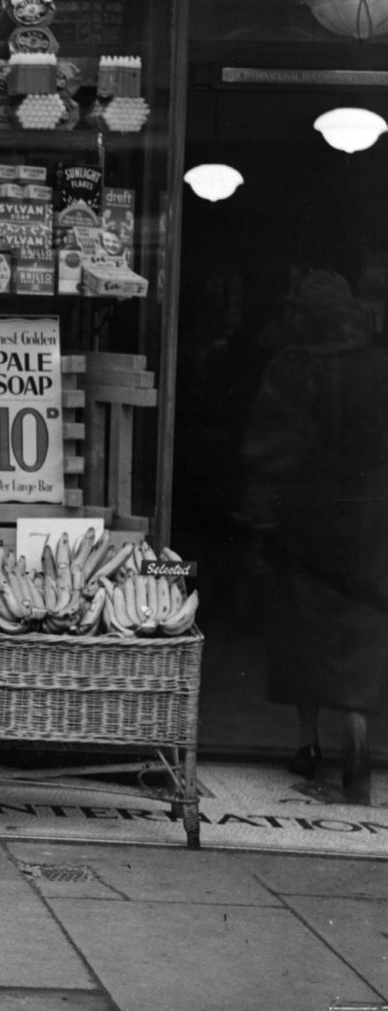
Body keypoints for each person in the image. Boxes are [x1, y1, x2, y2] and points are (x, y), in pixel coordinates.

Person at [237, 267, 388, 806]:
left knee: (305, 634)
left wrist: (261, 515)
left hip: (304, 522)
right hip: (368, 523)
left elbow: (270, 445)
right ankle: (357, 737)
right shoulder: (378, 367)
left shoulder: (291, 366)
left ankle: (308, 744)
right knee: (358, 634)